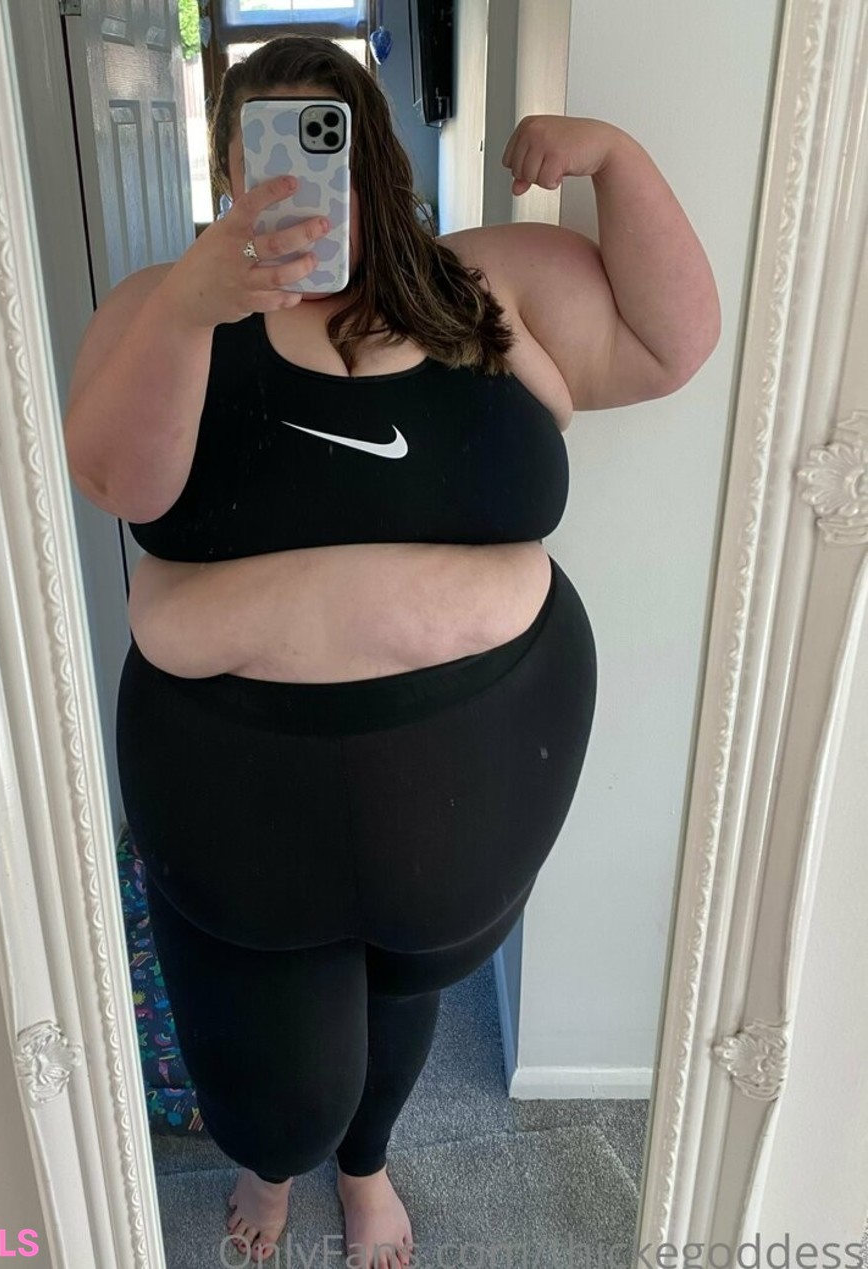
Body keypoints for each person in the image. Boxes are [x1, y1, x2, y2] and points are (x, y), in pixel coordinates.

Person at [64, 34, 720, 1269]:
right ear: (226, 169)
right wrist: (197, 306)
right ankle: (272, 1167)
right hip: (235, 798)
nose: (306, 184)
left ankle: (366, 1169)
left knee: (401, 996)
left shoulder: (481, 287)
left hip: (473, 797)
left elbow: (667, 345)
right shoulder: (164, 307)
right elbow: (119, 484)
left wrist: (616, 161)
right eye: (268, 153)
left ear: (378, 157)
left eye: (332, 147)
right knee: (274, 1093)